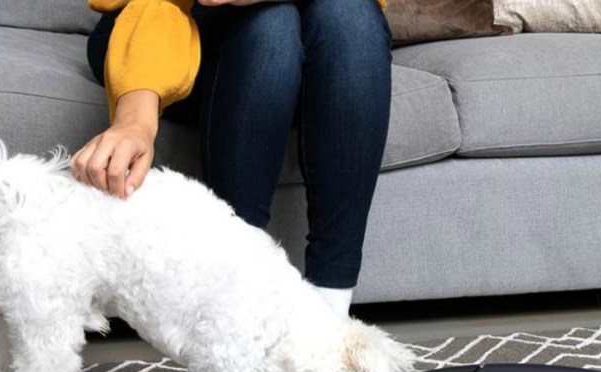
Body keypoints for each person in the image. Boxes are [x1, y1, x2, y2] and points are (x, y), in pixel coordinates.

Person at [75, 0, 393, 317]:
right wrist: (136, 119)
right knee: (272, 26)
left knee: (350, 10)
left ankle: (329, 315)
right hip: (165, 24)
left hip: (314, 37)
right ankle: (237, 305)